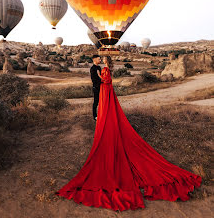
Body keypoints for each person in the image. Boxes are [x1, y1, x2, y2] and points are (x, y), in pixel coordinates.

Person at [55, 55, 202, 211]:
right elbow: (103, 81)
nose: (102, 60)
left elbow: (107, 81)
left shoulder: (104, 70)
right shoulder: (103, 69)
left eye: (104, 58)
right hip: (106, 92)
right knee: (104, 110)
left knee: (107, 117)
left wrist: (100, 77)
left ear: (106, 61)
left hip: (106, 90)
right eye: (101, 58)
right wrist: (99, 77)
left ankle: (106, 119)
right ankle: (105, 117)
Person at [90, 54, 101, 121]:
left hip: (101, 87)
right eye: (99, 59)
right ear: (94, 60)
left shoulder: (99, 68)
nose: (100, 60)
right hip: (96, 87)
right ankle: (95, 116)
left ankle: (101, 114)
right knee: (96, 101)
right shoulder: (92, 68)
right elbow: (93, 79)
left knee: (101, 101)